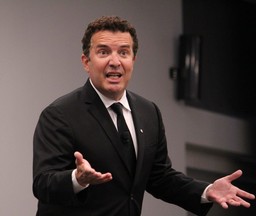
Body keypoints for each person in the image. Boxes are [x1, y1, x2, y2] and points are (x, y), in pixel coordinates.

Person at [32, 16, 255, 216]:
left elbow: (160, 177)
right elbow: (43, 183)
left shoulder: (149, 113)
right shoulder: (60, 114)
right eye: (103, 52)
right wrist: (77, 179)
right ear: (86, 62)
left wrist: (206, 191)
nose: (115, 61)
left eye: (123, 52)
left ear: (133, 60)